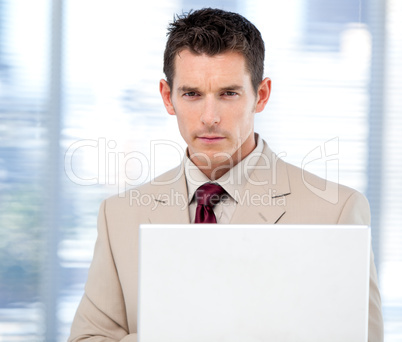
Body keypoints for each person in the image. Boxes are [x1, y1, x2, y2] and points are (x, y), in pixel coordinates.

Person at [68, 8, 383, 342]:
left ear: (260, 96)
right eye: (192, 94)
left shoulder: (336, 212)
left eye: (228, 93)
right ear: (167, 97)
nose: (209, 117)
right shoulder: (119, 217)